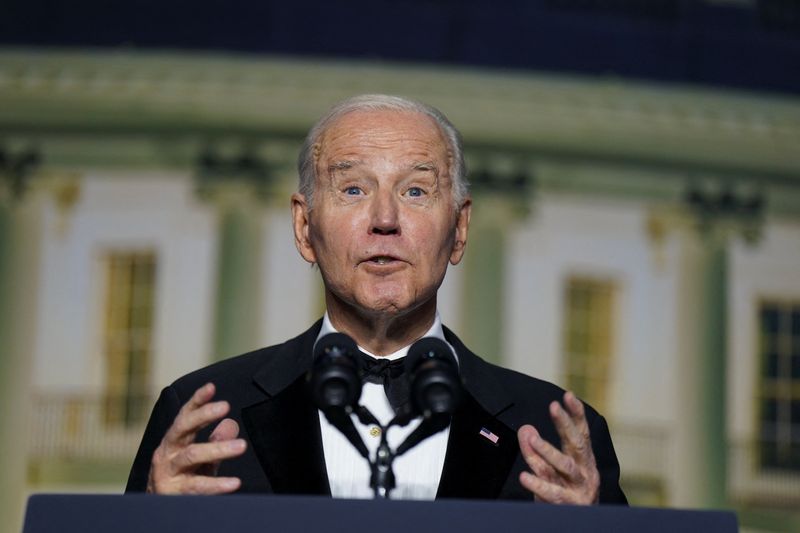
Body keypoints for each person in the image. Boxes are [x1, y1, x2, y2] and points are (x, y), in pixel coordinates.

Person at [126, 94, 627, 504]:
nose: (384, 219)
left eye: (414, 191)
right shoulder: (202, 417)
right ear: (304, 228)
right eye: (352, 190)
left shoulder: (553, 436)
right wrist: (150, 524)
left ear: (459, 230)